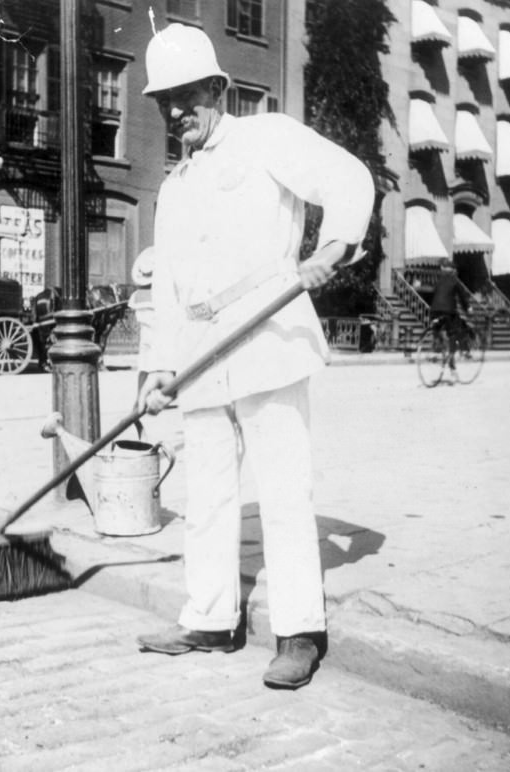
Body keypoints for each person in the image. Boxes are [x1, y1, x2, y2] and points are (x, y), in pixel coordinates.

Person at [134, 23, 375, 690]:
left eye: (187, 95)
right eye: (164, 101)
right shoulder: (176, 187)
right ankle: (210, 618)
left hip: (271, 340)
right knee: (208, 492)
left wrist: (334, 246)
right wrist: (159, 369)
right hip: (203, 354)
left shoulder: (268, 136)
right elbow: (169, 290)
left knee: (282, 492)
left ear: (219, 87)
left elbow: (348, 178)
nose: (175, 110)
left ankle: (298, 634)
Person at [128, 246, 156, 402]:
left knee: (143, 367)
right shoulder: (158, 294)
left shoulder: (136, 296)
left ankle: (140, 395)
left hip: (145, 335)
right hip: (158, 334)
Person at [429, 260, 471, 354]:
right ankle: (461, 351)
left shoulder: (438, 281)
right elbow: (462, 296)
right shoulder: (455, 281)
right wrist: (467, 308)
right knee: (456, 330)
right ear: (453, 271)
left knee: (437, 329)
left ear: (442, 269)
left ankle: (437, 348)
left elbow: (432, 294)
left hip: (434, 311)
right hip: (449, 311)